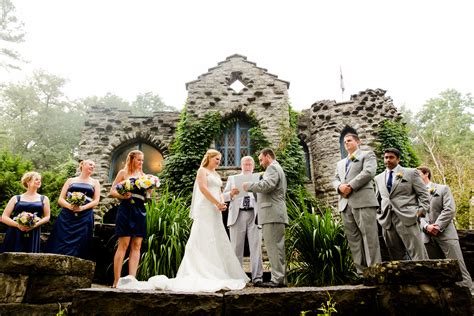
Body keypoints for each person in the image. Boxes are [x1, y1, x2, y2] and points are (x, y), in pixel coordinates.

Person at [117, 149, 249, 292]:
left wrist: (227, 197)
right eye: (216, 158)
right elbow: (203, 189)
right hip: (205, 209)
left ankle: (216, 271)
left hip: (214, 212)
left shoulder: (216, 174)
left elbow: (218, 193)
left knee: (216, 239)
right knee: (202, 238)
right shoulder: (202, 171)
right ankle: (200, 270)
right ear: (209, 158)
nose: (219, 161)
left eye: (220, 159)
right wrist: (217, 203)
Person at [333, 133, 381, 274]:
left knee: (369, 237)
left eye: (349, 141)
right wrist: (339, 187)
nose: (346, 143)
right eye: (344, 142)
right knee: (353, 239)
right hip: (345, 203)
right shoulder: (340, 163)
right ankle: (360, 272)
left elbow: (368, 172)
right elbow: (335, 179)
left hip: (363, 201)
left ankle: (374, 271)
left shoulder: (367, 155)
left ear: (358, 141)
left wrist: (350, 186)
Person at [417, 166, 472, 288]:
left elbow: (449, 209)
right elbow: (417, 215)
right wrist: (426, 226)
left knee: (458, 265)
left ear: (426, 174)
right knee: (436, 268)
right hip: (426, 236)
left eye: (417, 174)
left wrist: (437, 226)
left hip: (446, 234)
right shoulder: (415, 195)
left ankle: (470, 291)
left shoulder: (442, 189)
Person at [243, 148, 288, 288]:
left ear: (268, 156)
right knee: (276, 247)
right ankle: (279, 278)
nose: (261, 163)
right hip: (273, 213)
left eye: (261, 159)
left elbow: (268, 185)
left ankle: (277, 280)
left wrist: (250, 186)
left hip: (272, 213)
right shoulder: (275, 168)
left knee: (274, 248)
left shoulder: (272, 168)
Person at [374, 148, 429, 260]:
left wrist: (419, 213)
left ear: (398, 159)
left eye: (391, 157)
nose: (388, 160)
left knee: (418, 255)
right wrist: (379, 216)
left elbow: (424, 195)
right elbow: (377, 199)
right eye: (386, 157)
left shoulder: (410, 173)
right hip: (387, 221)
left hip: (408, 218)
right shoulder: (378, 178)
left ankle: (424, 276)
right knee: (395, 257)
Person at [46, 160, 100, 259]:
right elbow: (61, 199)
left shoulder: (95, 182)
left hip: (85, 215)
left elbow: (96, 201)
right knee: (61, 237)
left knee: (82, 240)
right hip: (67, 214)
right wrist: (70, 206)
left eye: (94, 166)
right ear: (82, 165)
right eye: (90, 164)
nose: (92, 167)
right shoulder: (70, 180)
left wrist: (82, 208)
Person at [223, 156, 264, 284]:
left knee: (256, 247)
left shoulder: (258, 179)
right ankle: (237, 277)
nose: (247, 166)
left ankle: (257, 277)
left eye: (250, 164)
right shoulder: (232, 179)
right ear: (241, 165)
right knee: (236, 247)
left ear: (253, 166)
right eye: (245, 164)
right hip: (237, 214)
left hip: (255, 214)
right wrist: (232, 193)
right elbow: (223, 197)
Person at [110, 150, 147, 288]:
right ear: (131, 159)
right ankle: (116, 280)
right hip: (126, 209)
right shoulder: (123, 173)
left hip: (140, 210)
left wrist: (149, 190)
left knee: (137, 245)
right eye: (139, 160)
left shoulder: (144, 176)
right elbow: (112, 191)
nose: (141, 163)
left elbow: (147, 196)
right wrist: (122, 195)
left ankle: (132, 280)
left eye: (142, 160)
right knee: (123, 245)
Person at [0, 172, 50, 253]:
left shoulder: (44, 199)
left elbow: (47, 217)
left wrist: (34, 225)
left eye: (40, 180)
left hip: (33, 232)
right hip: (15, 232)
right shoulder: (16, 198)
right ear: (28, 181)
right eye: (36, 179)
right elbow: (4, 217)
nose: (39, 181)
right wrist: (18, 225)